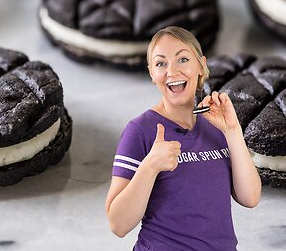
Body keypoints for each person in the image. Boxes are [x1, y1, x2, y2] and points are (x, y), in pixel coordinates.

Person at [105, 26, 262, 250]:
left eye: (183, 59)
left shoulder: (217, 125)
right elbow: (118, 224)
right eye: (161, 63)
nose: (172, 71)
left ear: (201, 65)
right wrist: (149, 167)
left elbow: (250, 197)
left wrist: (233, 131)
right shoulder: (140, 130)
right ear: (151, 73)